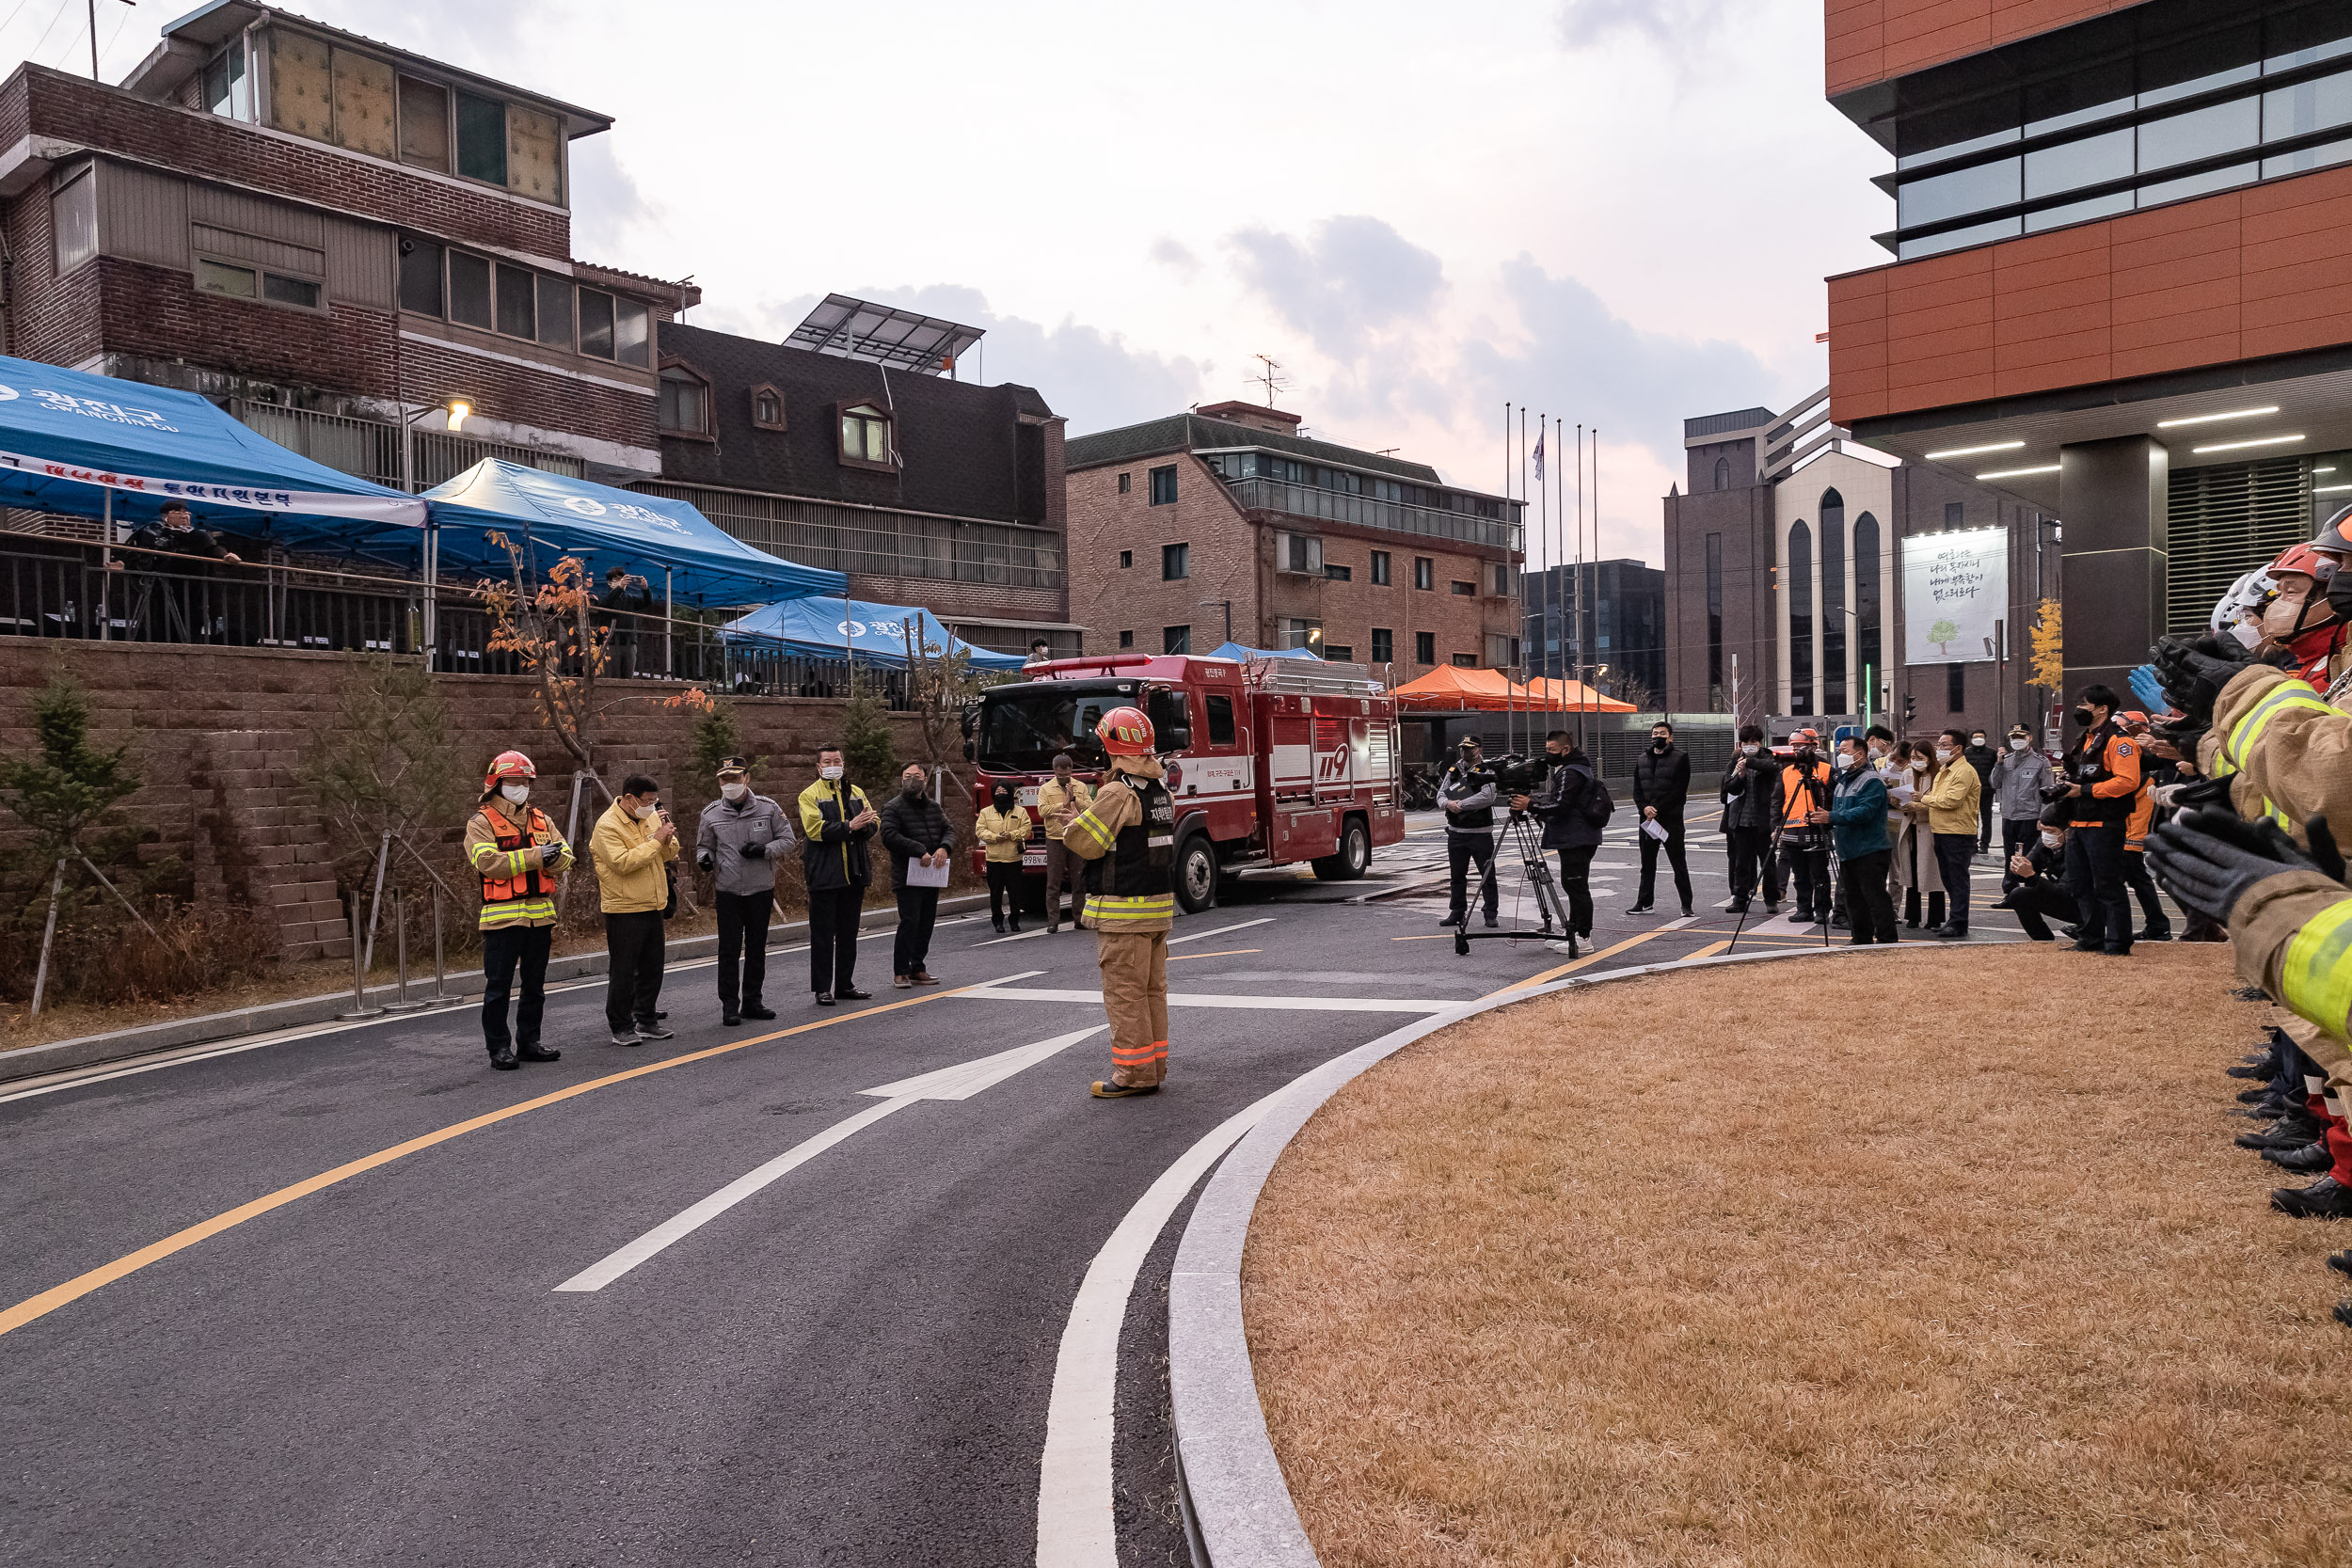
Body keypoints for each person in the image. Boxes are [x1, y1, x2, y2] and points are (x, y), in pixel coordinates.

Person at [1063, 705, 1179, 1099]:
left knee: (1125, 995)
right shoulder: (1160, 791)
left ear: (1113, 748)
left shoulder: (1117, 791)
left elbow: (1085, 843)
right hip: (1157, 910)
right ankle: (1154, 1066)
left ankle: (1133, 1074)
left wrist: (1075, 823)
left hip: (1123, 914)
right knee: (1151, 993)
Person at [464, 750, 573, 1069]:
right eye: (513, 781)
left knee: (535, 987)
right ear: (497, 783)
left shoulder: (542, 819)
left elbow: (566, 856)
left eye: (525, 781)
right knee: (498, 988)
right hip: (502, 919)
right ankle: (498, 1048)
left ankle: (529, 1042)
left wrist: (555, 860)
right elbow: (488, 863)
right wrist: (538, 856)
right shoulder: (481, 822)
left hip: (540, 917)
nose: (520, 786)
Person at [695, 755, 792, 1027]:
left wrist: (765, 850)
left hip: (760, 888)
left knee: (757, 948)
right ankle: (729, 1004)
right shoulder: (711, 813)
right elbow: (704, 846)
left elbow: (788, 840)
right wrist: (704, 859)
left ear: (747, 778)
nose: (730, 784)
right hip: (728, 890)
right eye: (724, 779)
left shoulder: (768, 808)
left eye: (735, 778)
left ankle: (753, 1000)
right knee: (729, 949)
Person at [591, 774, 679, 1045]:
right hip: (624, 907)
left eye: (654, 801)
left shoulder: (651, 816)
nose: (651, 805)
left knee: (653, 967)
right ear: (629, 798)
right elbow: (623, 862)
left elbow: (668, 854)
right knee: (624, 969)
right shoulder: (607, 825)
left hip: (653, 902)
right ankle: (621, 1026)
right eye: (647, 800)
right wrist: (656, 841)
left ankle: (647, 1019)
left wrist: (668, 838)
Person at [2058, 682, 2140, 957]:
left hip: (2105, 825)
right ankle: (2090, 937)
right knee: (2079, 885)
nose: (2079, 709)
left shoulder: (2120, 740)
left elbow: (2128, 782)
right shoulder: (2084, 739)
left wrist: (2085, 789)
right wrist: (2067, 782)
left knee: (2108, 885)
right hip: (2079, 823)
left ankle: (2117, 943)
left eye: (2084, 704)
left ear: (2102, 709)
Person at [798, 746, 879, 1006]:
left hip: (854, 872)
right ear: (818, 767)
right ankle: (822, 988)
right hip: (825, 873)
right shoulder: (809, 795)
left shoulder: (855, 792)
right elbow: (814, 829)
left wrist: (865, 827)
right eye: (828, 761)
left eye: (838, 760)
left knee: (848, 932)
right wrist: (850, 826)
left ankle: (845, 983)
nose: (834, 764)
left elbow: (873, 820)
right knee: (823, 935)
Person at [1513, 730, 1602, 945]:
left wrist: (1531, 805)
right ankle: (1572, 931)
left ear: (1566, 750)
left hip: (1576, 837)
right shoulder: (1576, 768)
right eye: (1546, 750)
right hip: (1578, 836)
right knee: (1573, 885)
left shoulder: (1571, 772)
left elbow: (1562, 806)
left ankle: (1583, 937)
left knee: (1576, 885)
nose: (1548, 755)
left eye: (1552, 750)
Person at [880, 763, 956, 988]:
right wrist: (917, 849)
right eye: (907, 776)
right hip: (908, 874)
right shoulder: (893, 807)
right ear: (901, 779)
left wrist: (944, 847)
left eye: (917, 776)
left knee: (926, 922)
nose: (912, 780)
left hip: (932, 874)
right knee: (910, 921)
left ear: (925, 780)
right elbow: (889, 835)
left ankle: (918, 966)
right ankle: (900, 971)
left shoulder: (933, 807)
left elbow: (949, 830)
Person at [1823, 734, 1896, 943]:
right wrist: (1826, 818)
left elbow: (1865, 812)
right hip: (1848, 850)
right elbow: (1839, 812)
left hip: (1870, 849)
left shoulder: (1871, 780)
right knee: (1853, 898)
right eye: (1839, 751)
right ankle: (1861, 937)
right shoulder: (1841, 782)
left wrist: (1831, 816)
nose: (1840, 756)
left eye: (1845, 751)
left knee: (1874, 897)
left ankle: (1886, 938)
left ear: (1860, 754)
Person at [1918, 728, 1982, 939]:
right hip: (1943, 830)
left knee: (1957, 878)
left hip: (1958, 832)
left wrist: (1922, 799)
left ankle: (1959, 922)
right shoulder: (1946, 769)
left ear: (1958, 748)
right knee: (1949, 877)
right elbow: (1937, 798)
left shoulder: (1964, 771)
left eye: (1944, 745)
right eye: (1938, 745)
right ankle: (1954, 919)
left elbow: (1950, 801)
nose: (1939, 749)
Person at [2117, 716, 2173, 942]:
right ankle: (2157, 923)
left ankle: (2094, 922)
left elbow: (2136, 807)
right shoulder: (2138, 760)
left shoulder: (2146, 764)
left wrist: (2132, 841)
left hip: (2132, 833)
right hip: (2128, 832)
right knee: (2137, 879)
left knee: (2117, 879)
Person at [1629, 720, 1693, 917]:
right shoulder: (1642, 759)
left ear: (1670, 737)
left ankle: (1686, 905)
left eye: (1662, 733)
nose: (1658, 736)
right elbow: (1637, 789)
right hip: (1648, 821)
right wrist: (1644, 808)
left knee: (1678, 863)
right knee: (1647, 864)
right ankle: (1644, 902)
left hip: (1671, 820)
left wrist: (1658, 808)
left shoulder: (1681, 757)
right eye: (1655, 733)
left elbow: (1679, 789)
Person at [1991, 805, 2082, 942]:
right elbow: (2030, 866)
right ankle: (2043, 940)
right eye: (2043, 830)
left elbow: (2066, 892)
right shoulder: (2044, 844)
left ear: (2067, 832)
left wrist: (2031, 875)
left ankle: (2088, 929)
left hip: (2087, 905)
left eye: (2051, 831)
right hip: (2067, 899)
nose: (2046, 835)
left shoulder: (2080, 850)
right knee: (2017, 895)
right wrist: (2018, 868)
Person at [1719, 724, 1783, 914]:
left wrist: (1748, 763)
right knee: (1741, 863)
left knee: (1768, 863)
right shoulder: (1735, 761)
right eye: (1745, 742)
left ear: (1760, 743)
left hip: (1764, 820)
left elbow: (1773, 768)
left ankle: (1771, 900)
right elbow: (1729, 787)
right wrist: (1740, 776)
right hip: (1741, 820)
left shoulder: (1769, 757)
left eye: (1753, 742)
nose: (1749, 746)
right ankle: (1740, 899)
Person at [1437, 736, 1500, 929]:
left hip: (1480, 831)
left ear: (1479, 749)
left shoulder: (1486, 769)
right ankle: (1457, 911)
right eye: (1463, 748)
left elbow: (1488, 796)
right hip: (1456, 832)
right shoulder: (1454, 769)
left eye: (1469, 748)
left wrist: (1460, 805)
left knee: (1487, 874)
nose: (1465, 751)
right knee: (1457, 875)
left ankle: (1490, 913)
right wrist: (1448, 804)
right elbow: (1440, 795)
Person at [1887, 740, 1947, 929]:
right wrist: (1898, 801)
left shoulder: (1939, 775)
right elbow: (1904, 800)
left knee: (1932, 873)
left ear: (1930, 758)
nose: (1915, 762)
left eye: (1919, 758)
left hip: (1930, 828)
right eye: (1913, 758)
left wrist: (1915, 805)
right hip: (1910, 826)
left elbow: (1937, 804)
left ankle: (1935, 918)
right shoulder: (1907, 773)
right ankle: (1913, 916)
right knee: (1910, 872)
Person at [1990, 723, 2056, 891]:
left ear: (2029, 738)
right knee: (2010, 855)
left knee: (2029, 856)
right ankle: (2010, 890)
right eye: (2014, 738)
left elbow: (2048, 792)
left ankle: (2030, 889)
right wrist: (1998, 763)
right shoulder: (2007, 760)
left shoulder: (2040, 762)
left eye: (2021, 737)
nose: (2017, 741)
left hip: (2030, 815)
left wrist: (2043, 818)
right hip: (2009, 815)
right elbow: (1995, 783)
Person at [1778, 729, 1835, 923]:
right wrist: (1775, 827)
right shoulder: (1786, 772)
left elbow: (1832, 799)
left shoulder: (1826, 770)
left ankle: (1822, 910)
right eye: (1793, 747)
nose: (1797, 751)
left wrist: (1828, 820)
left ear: (1813, 746)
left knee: (1819, 874)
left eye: (1801, 746)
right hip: (1792, 831)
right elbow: (1777, 802)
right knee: (1800, 875)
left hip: (1817, 829)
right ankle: (1803, 908)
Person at [1038, 752, 1093, 933]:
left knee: (1079, 881)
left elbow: (1091, 807)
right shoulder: (1046, 789)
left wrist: (1074, 798)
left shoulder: (1081, 786)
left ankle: (1079, 918)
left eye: (1066, 774)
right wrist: (1061, 805)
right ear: (1054, 771)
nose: (1063, 778)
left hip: (1076, 837)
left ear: (1071, 771)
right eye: (1060, 775)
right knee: (1053, 882)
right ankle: (1053, 921)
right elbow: (1042, 811)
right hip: (1055, 839)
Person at [976, 784, 1029, 933]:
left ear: (1010, 792)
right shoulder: (986, 812)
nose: (1001, 793)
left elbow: (1026, 829)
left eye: (1004, 790)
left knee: (1015, 893)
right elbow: (980, 830)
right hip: (994, 859)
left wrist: (1012, 835)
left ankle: (1014, 921)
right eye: (997, 791)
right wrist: (994, 837)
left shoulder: (1020, 811)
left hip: (1013, 858)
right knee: (996, 893)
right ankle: (997, 921)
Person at [596, 566, 655, 679]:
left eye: (622, 579)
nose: (620, 582)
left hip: (629, 642)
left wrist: (645, 589)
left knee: (628, 677)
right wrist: (619, 588)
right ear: (609, 583)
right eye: (616, 580)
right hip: (611, 642)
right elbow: (605, 604)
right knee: (611, 676)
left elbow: (647, 602)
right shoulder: (603, 596)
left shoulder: (630, 599)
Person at [1962, 727, 1999, 852]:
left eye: (1981, 737)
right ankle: (1973, 844)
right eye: (1976, 737)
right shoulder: (1966, 753)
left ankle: (1985, 844)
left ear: (1985, 739)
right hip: (1970, 791)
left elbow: (1995, 771)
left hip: (1986, 791)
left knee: (1986, 819)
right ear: (1971, 739)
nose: (1979, 739)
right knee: (1971, 819)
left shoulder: (1991, 753)